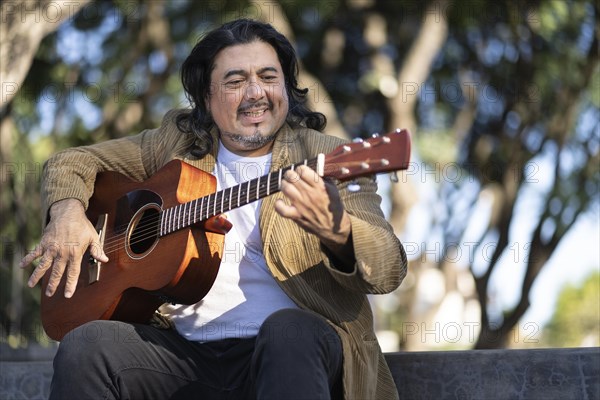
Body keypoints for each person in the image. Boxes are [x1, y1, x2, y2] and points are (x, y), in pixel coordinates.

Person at [20, 18, 407, 400]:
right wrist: (67, 211)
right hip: (182, 355)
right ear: (207, 98)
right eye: (236, 81)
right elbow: (70, 161)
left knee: (289, 331)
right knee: (88, 344)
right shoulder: (174, 144)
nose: (256, 92)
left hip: (288, 354)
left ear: (287, 89)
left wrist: (341, 233)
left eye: (269, 78)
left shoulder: (324, 157)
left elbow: (388, 268)